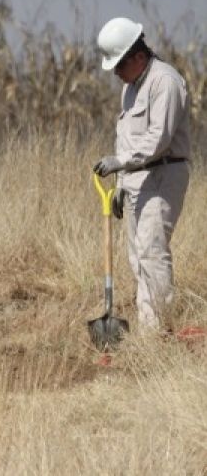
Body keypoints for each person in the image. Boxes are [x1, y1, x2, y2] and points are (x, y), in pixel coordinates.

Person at [93, 17, 190, 331]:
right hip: (135, 177)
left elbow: (158, 139)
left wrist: (120, 162)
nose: (118, 74)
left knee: (152, 252)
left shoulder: (166, 81)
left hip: (164, 174)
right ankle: (150, 326)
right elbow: (128, 138)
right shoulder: (130, 88)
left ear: (138, 56)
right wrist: (121, 182)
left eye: (120, 66)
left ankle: (157, 333)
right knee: (137, 258)